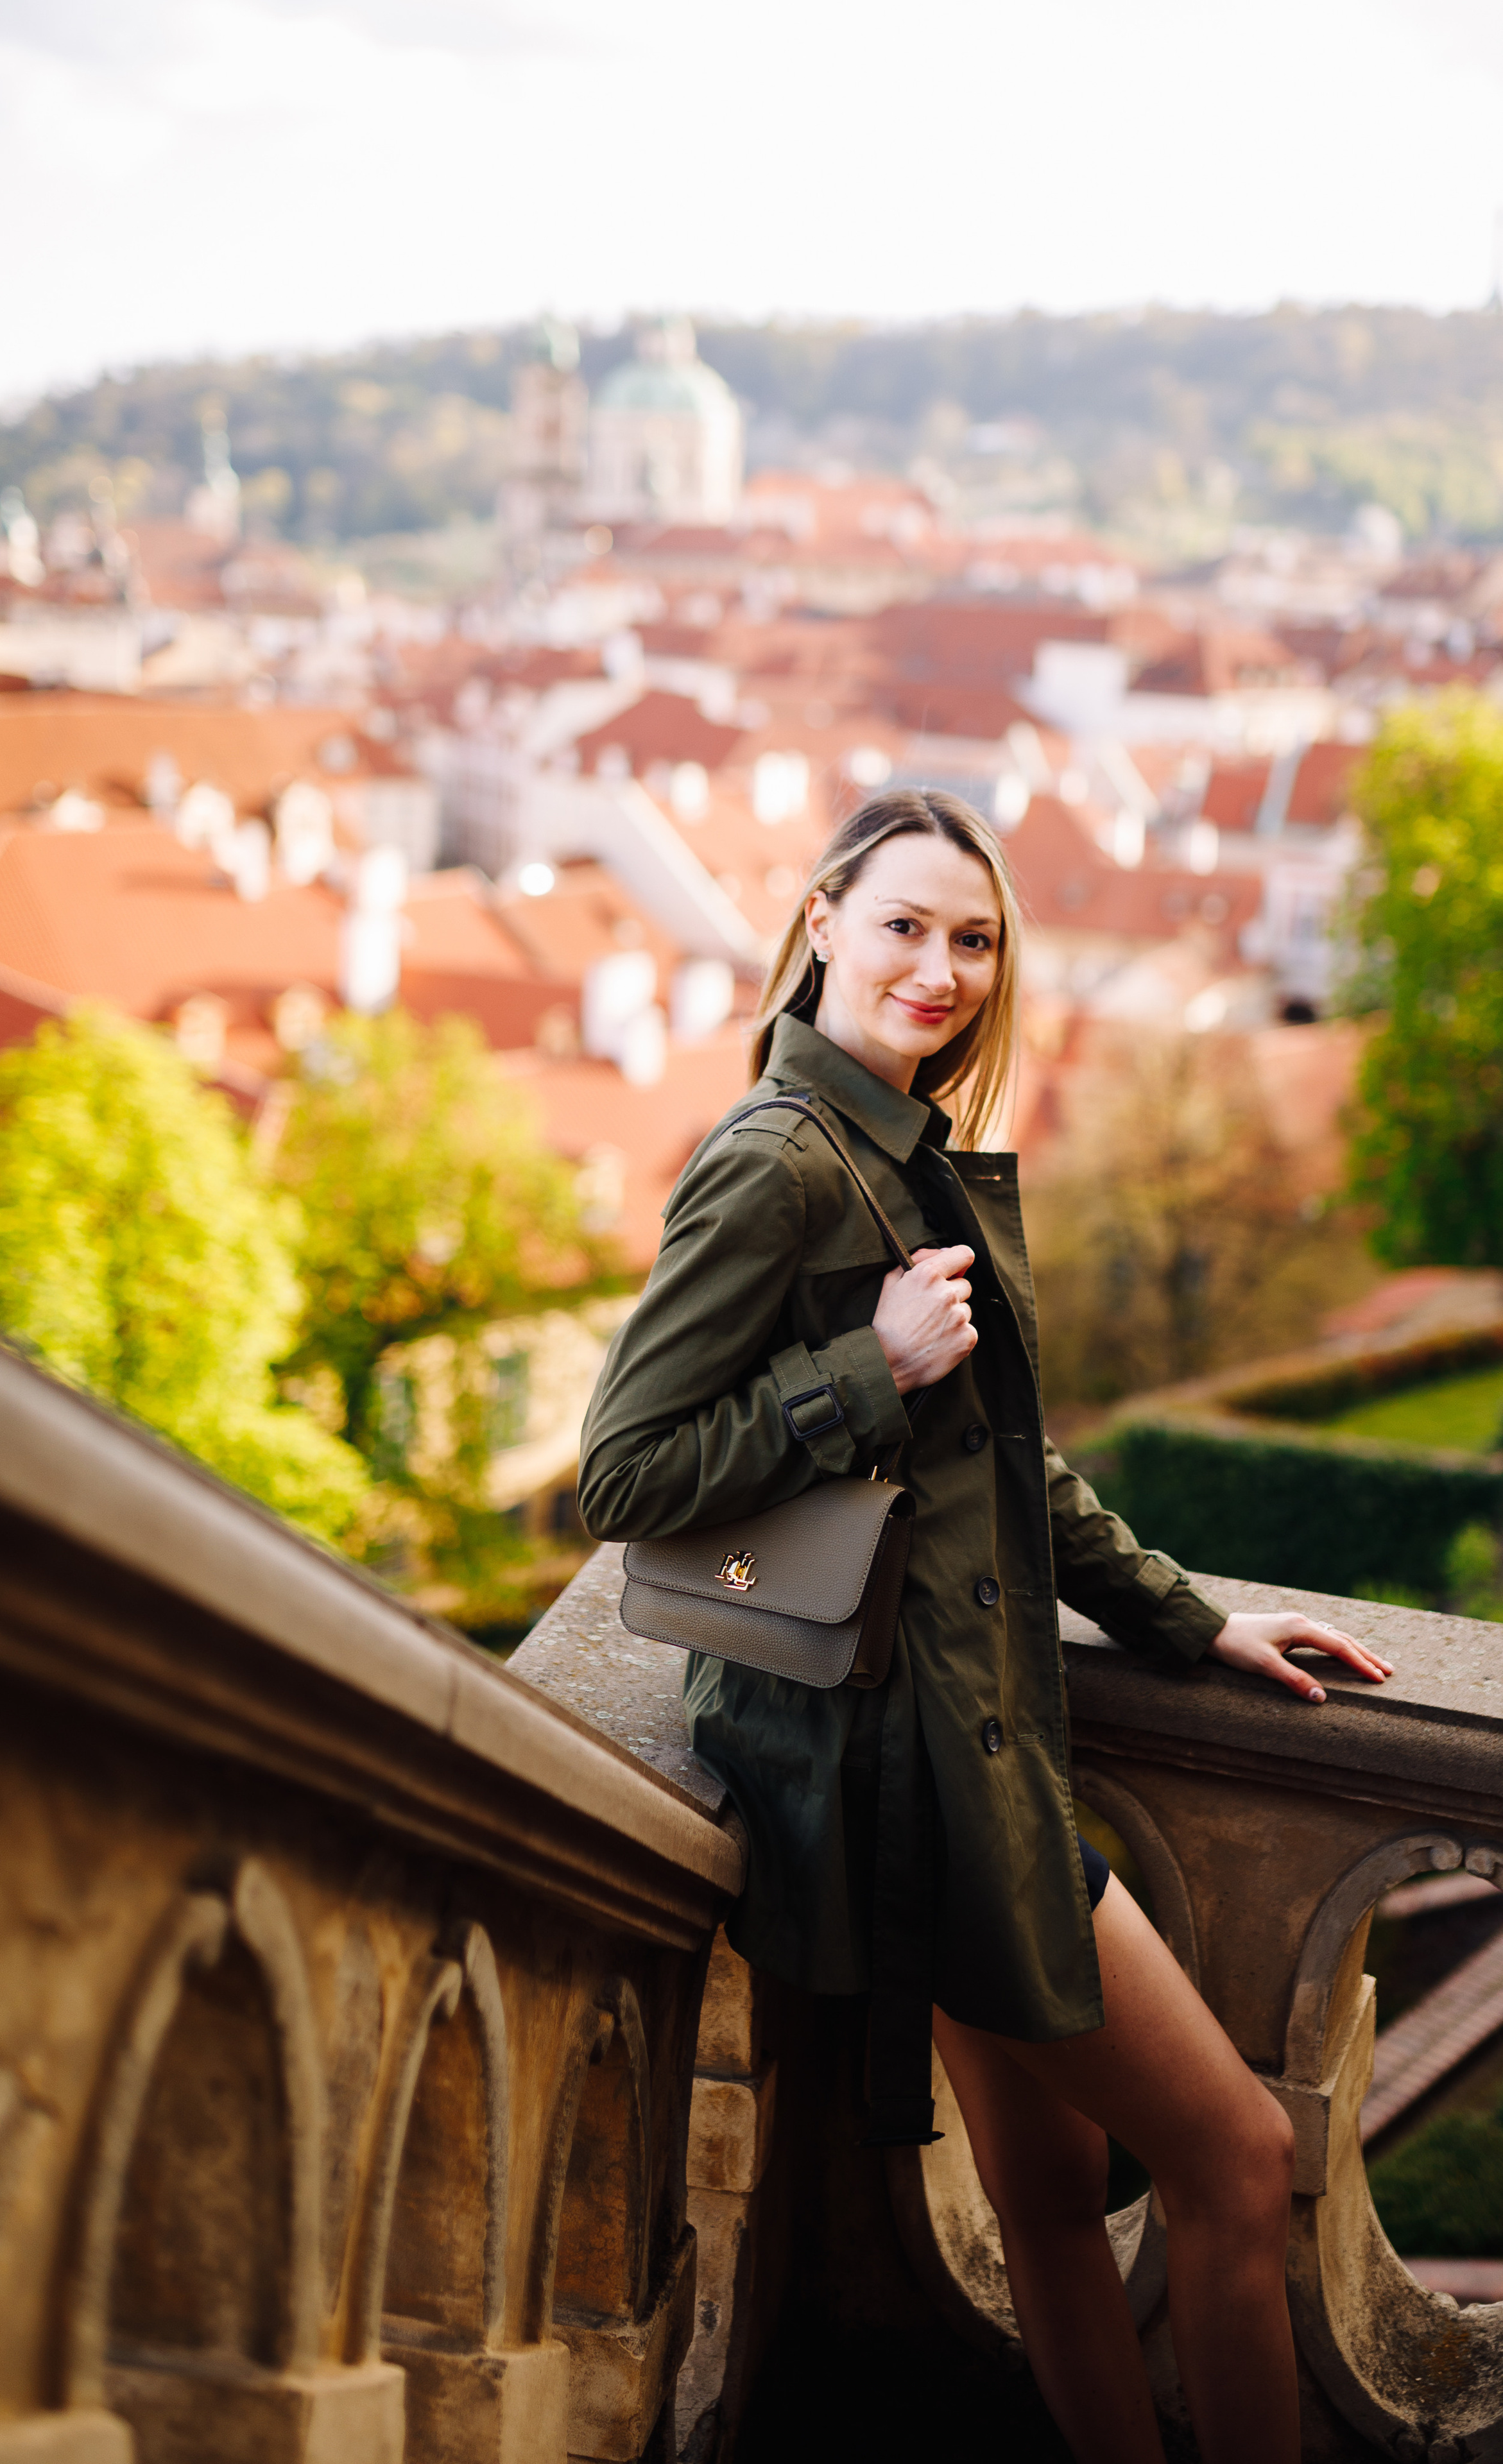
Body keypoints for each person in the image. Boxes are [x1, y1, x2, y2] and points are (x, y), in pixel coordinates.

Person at [578, 788, 1393, 2464]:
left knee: (1043, 2199)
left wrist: (1189, 1621)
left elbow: (1006, 1474)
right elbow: (627, 1472)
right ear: (818, 923)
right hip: (932, 1783)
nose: (939, 969)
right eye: (902, 927)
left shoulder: (896, 1142)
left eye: (973, 939)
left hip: (933, 1761)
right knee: (1238, 2164)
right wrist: (862, 1369)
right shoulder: (778, 1162)